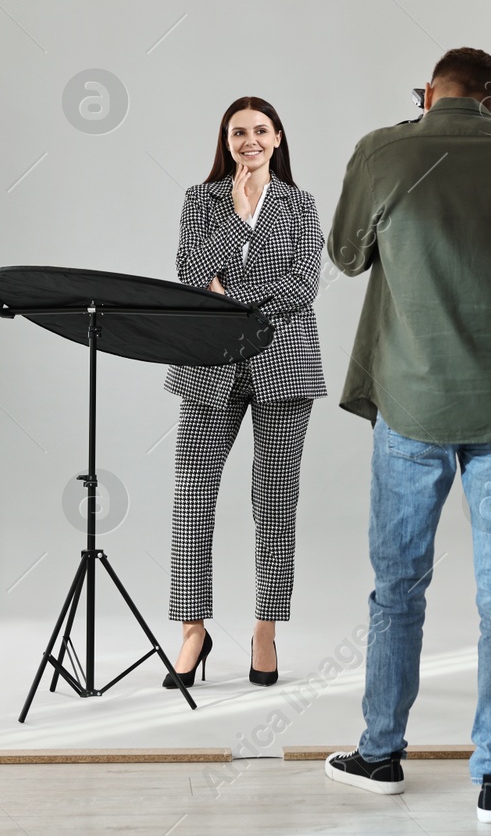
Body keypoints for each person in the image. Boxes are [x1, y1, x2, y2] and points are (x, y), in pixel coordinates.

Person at [321, 48, 491, 825]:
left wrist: (413, 130)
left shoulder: (383, 149)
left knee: (397, 587)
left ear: (428, 93)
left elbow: (346, 254)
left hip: (413, 403)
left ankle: (381, 751)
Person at [161, 95, 327, 690]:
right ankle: (192, 630)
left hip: (286, 362)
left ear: (278, 138)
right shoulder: (200, 200)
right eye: (238, 132)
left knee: (275, 501)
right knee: (192, 494)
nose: (248, 140)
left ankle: (265, 630)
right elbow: (189, 272)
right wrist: (246, 282)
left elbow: (305, 283)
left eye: (260, 131)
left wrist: (229, 288)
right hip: (209, 361)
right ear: (225, 140)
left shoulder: (300, 204)